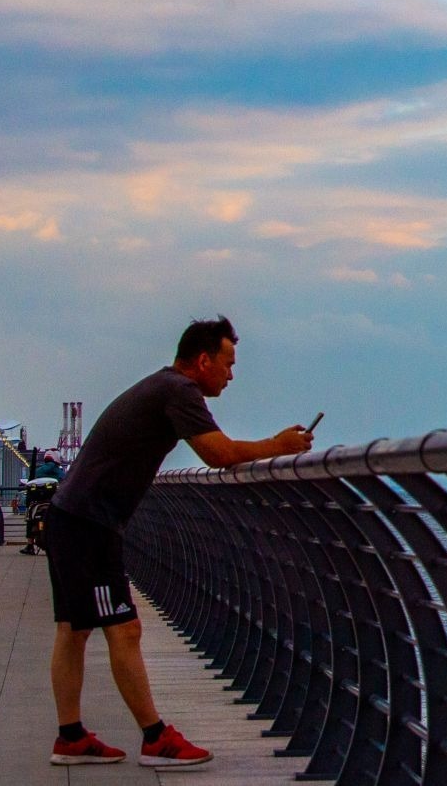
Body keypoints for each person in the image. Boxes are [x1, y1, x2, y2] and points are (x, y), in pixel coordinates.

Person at [44, 316, 313, 769]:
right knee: (122, 629)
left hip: (75, 517)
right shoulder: (179, 391)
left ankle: (70, 737)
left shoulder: (163, 386)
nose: (232, 374)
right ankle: (155, 739)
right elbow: (219, 455)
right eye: (228, 364)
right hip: (89, 524)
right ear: (203, 360)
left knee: (74, 629)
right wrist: (278, 444)